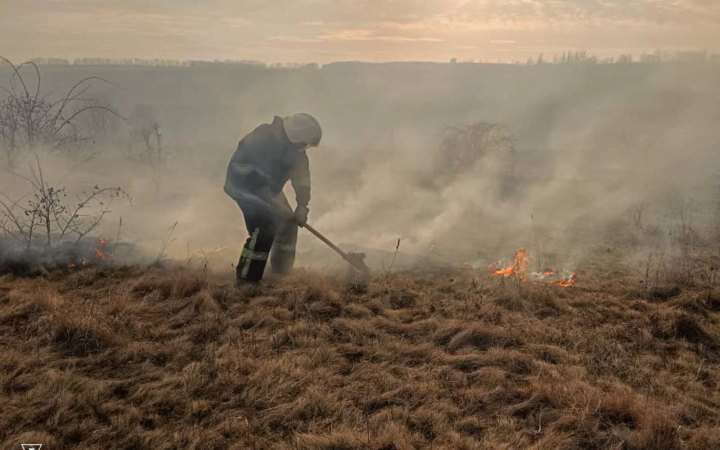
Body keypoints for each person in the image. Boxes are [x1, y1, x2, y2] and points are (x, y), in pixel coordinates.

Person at [224, 113, 321, 283]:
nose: (305, 147)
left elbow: (302, 178)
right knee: (265, 227)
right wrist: (265, 193)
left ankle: (281, 272)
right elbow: (241, 166)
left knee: (289, 224)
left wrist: (302, 205)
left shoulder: (296, 151)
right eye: (304, 144)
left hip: (270, 190)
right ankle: (247, 281)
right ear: (295, 136)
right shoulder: (263, 137)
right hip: (244, 186)